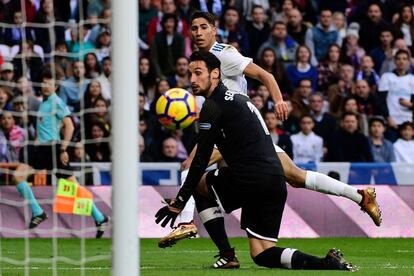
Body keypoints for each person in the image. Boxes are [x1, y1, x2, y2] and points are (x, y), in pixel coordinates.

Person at [159, 11, 381, 249]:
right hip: (242, 132)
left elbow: (265, 74)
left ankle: (185, 222)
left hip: (235, 129)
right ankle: (360, 196)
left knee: (190, 166)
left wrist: (278, 101)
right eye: (194, 28)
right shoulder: (199, 61)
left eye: (204, 27)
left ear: (215, 30)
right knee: (295, 176)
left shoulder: (225, 54)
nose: (199, 32)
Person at [155, 51, 357, 271]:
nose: (192, 80)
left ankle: (226, 254)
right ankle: (325, 263)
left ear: (215, 74)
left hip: (249, 178)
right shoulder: (241, 99)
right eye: (189, 74)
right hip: (274, 180)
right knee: (262, 254)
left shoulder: (212, 107)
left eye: (198, 73)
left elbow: (200, 159)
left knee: (199, 184)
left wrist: (179, 202)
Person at [13, 70, 109, 237]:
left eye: (49, 84)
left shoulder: (57, 102)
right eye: (43, 83)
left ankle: (99, 217)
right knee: (18, 176)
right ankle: (38, 212)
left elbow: (70, 125)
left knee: (73, 188)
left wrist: (63, 149)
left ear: (55, 86)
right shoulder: (43, 103)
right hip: (40, 150)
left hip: (53, 150)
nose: (45, 87)